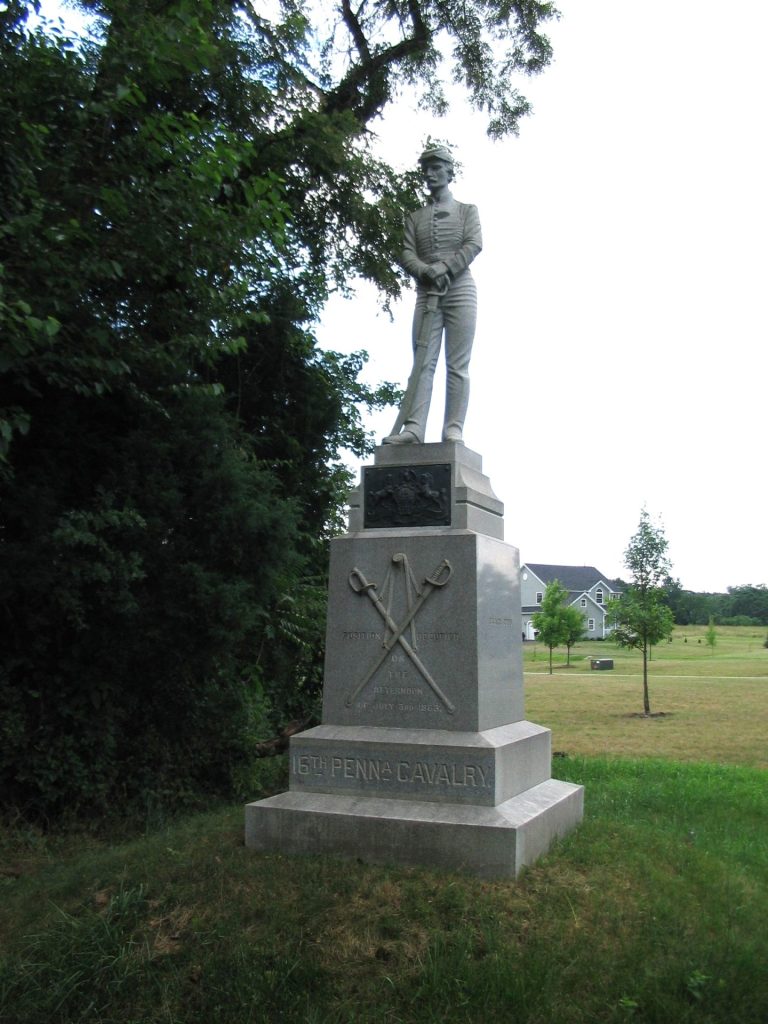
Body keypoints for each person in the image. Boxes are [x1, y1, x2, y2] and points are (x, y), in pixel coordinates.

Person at [383, 144, 482, 445]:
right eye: (426, 169)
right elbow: (406, 252)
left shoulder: (467, 211)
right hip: (427, 294)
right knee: (422, 361)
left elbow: (474, 243)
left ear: (450, 171)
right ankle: (414, 428)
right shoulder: (414, 218)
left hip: (460, 289)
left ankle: (453, 427)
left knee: (457, 364)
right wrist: (425, 271)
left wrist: (447, 268)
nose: (430, 174)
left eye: (437, 167)